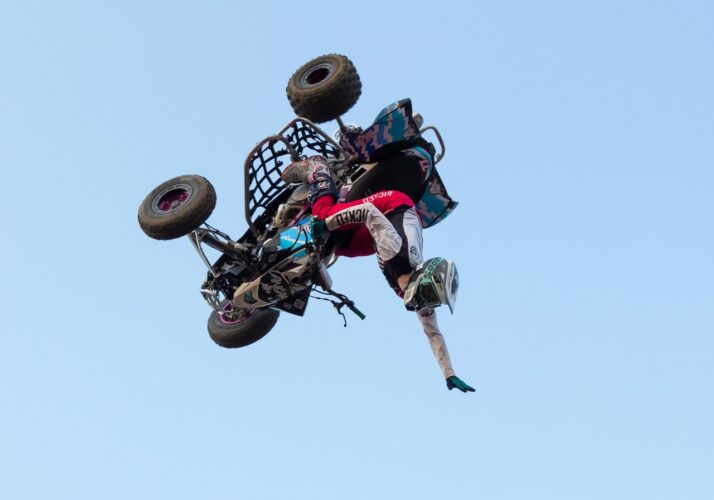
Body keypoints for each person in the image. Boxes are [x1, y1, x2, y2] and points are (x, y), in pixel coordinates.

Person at [281, 155, 474, 393]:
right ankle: (317, 169)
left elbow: (434, 333)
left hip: (390, 225)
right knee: (324, 216)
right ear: (423, 279)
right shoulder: (393, 248)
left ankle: (294, 229)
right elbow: (368, 212)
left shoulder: (419, 298)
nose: (427, 305)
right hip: (390, 206)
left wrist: (449, 373)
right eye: (429, 296)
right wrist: (327, 223)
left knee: (340, 247)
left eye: (432, 301)